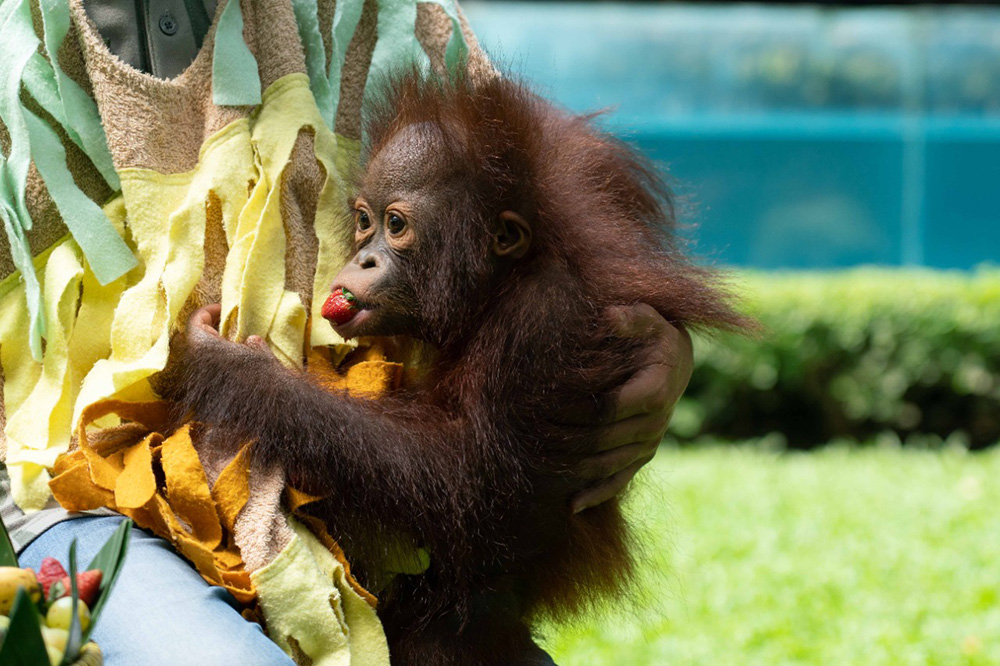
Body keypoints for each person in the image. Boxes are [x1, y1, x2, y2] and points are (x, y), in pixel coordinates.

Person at [1, 0, 694, 663]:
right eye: (362, 224)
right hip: (74, 509)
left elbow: (449, 487)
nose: (360, 259)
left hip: (448, 578)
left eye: (396, 229)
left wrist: (658, 338)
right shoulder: (24, 51)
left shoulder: (537, 305)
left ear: (501, 241)